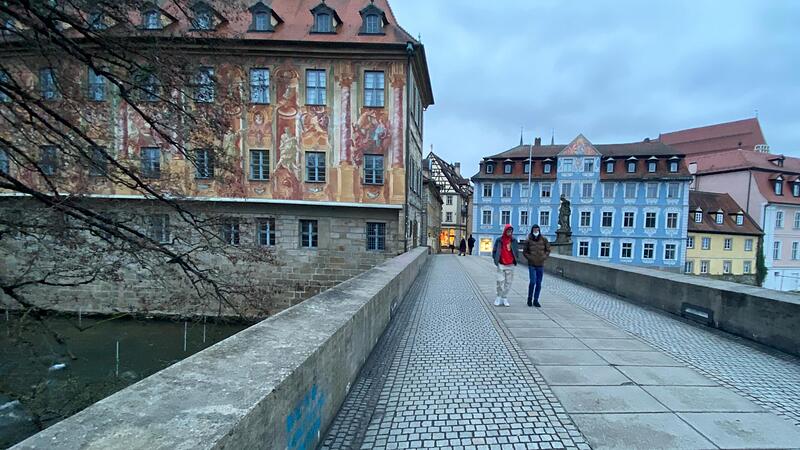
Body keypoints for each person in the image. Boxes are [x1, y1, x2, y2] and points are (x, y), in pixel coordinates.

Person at [522, 224, 551, 307]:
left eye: (537, 229)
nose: (536, 230)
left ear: (539, 230)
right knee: (532, 282)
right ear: (532, 230)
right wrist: (530, 258)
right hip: (532, 264)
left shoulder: (544, 239)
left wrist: (544, 257)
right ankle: (529, 298)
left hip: (540, 264)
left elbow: (548, 250)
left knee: (538, 283)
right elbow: (525, 251)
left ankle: (536, 300)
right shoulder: (528, 240)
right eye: (534, 229)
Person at [492, 224, 518, 307]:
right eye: (508, 230)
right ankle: (498, 296)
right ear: (505, 231)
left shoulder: (514, 240)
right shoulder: (499, 240)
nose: (509, 232)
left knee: (508, 282)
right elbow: (494, 250)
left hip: (510, 264)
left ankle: (504, 297)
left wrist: (515, 259)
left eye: (511, 231)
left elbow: (516, 251)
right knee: (500, 281)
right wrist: (496, 258)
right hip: (501, 263)